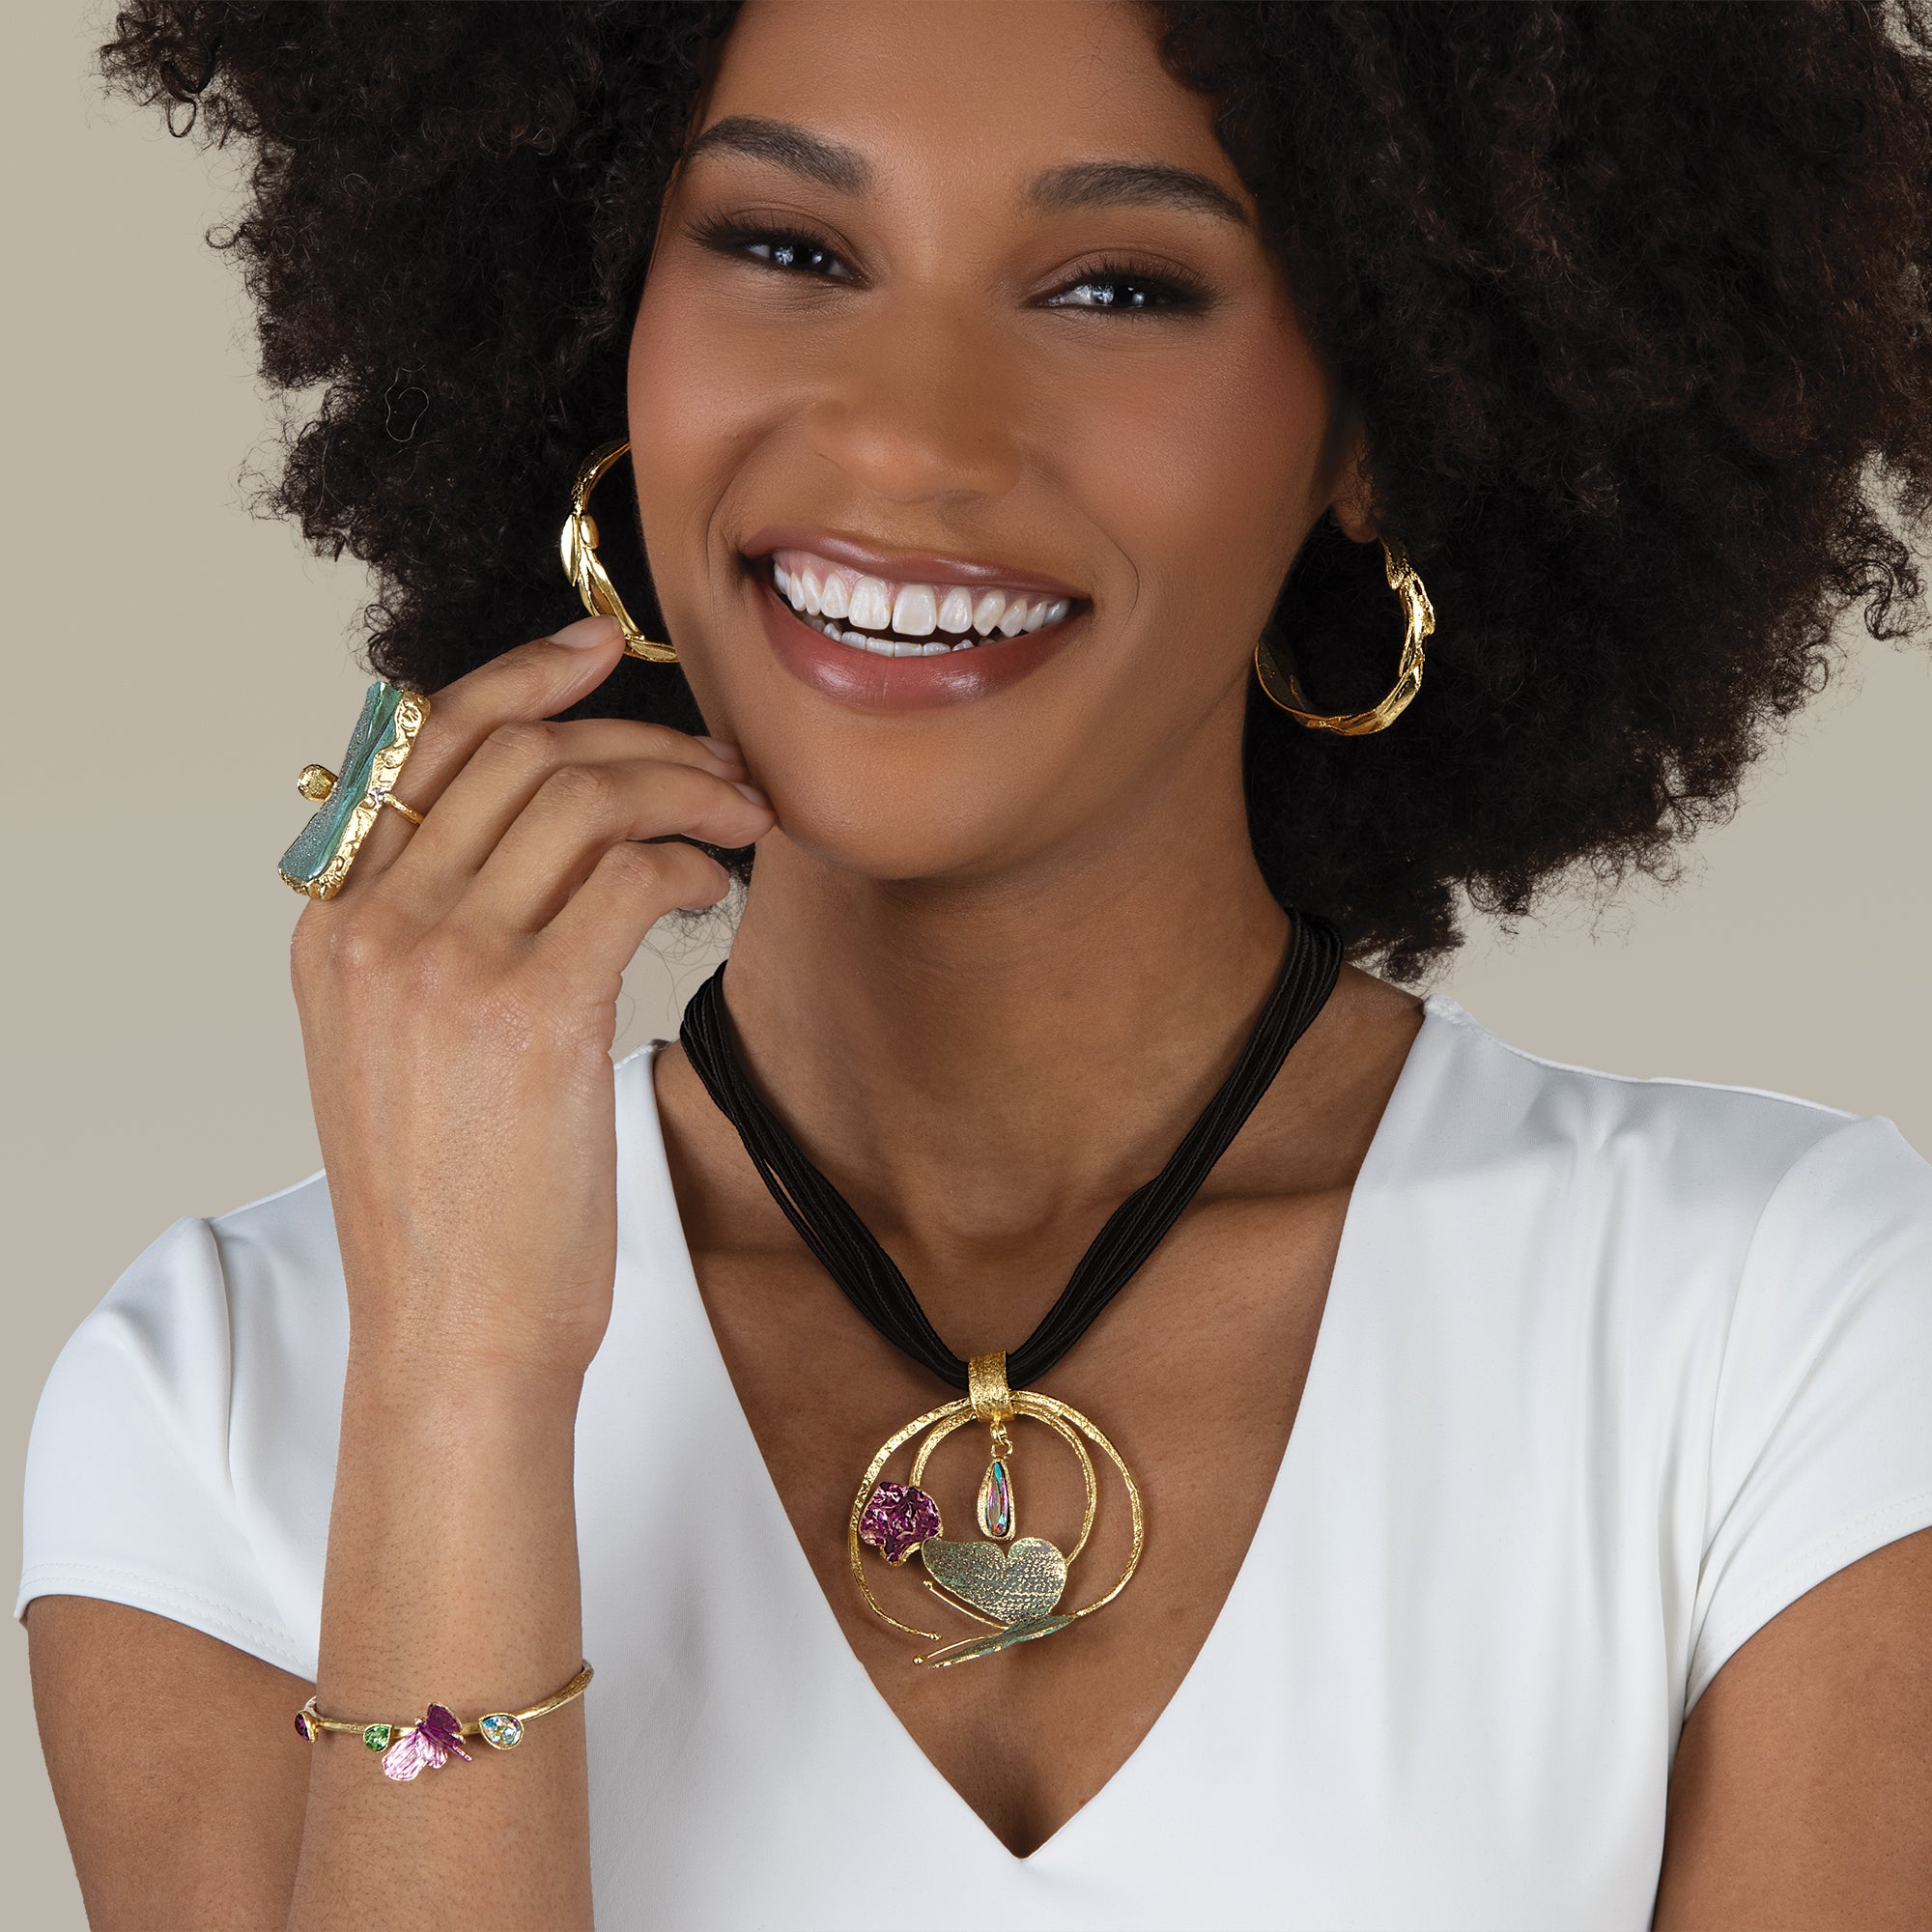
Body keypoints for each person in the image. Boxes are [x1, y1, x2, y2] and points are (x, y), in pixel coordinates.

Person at [19, 2, 1932, 1926]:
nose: (907, 437)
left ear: (1367, 421)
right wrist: (456, 1377)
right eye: (786, 247)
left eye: (1116, 286)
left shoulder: (1775, 1319)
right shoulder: (237, 1391)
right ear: (609, 325)